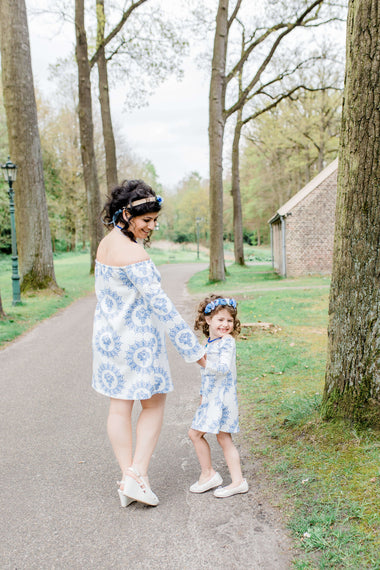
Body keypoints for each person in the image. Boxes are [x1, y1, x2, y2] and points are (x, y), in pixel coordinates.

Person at [92, 179, 206, 508]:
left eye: (155, 220)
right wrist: (195, 351)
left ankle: (129, 479)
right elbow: (164, 308)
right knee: (154, 403)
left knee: (119, 406)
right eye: (146, 220)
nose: (152, 226)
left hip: (108, 339)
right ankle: (136, 475)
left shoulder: (106, 243)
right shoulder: (134, 253)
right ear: (126, 214)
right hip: (136, 342)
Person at [188, 295, 248, 498]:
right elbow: (207, 377)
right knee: (213, 436)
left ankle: (220, 477)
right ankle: (214, 475)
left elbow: (222, 368)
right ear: (208, 320)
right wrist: (202, 397)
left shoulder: (227, 342)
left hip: (222, 400)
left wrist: (203, 362)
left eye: (229, 320)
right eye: (220, 320)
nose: (225, 324)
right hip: (212, 399)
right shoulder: (209, 342)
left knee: (214, 436)